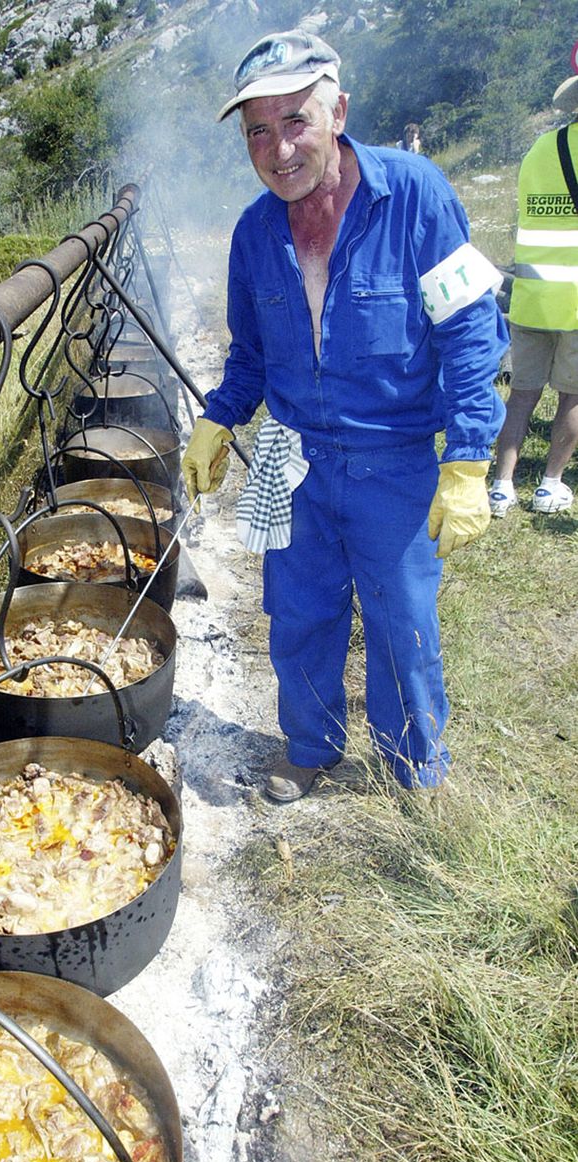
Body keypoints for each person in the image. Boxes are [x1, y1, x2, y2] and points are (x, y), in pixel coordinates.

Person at [182, 29, 508, 802]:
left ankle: (413, 770)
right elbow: (250, 355)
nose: (277, 149)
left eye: (294, 120)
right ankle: (309, 748)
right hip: (286, 454)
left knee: (402, 626)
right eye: (257, 131)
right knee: (296, 616)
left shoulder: (416, 194)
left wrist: (467, 458)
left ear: (338, 113)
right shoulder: (253, 232)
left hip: (392, 457)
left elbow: (470, 331)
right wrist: (218, 418)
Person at [488, 71, 578, 517]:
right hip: (575, 302)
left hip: (531, 295)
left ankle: (501, 486)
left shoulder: (541, 148)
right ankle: (550, 485)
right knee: (572, 396)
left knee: (521, 394)